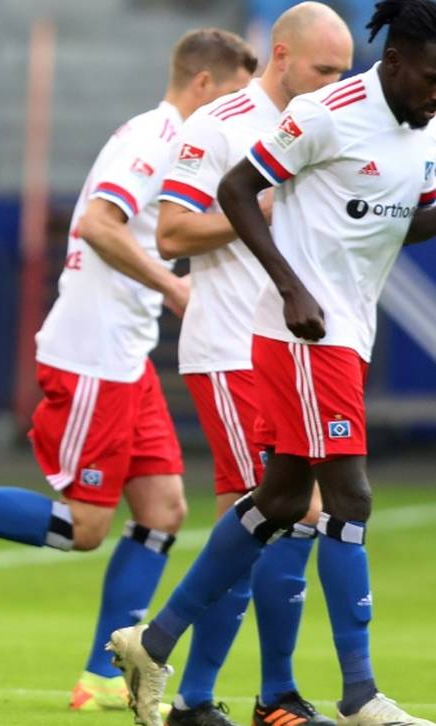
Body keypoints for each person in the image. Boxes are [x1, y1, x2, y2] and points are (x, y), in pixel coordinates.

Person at [0, 28, 257, 713]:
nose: (241, 111)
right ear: (203, 83)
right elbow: (97, 224)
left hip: (125, 354)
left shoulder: (175, 143)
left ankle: (104, 675)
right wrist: (174, 287)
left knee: (163, 510)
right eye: (236, 95)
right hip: (93, 356)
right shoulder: (153, 140)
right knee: (85, 528)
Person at [110, 2, 436, 725]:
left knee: (281, 503)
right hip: (299, 335)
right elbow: (232, 192)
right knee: (347, 501)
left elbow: (400, 223)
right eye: (432, 78)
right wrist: (290, 286)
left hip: (346, 331)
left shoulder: (425, 130)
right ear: (395, 62)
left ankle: (152, 643)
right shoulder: (325, 115)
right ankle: (356, 695)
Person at [153, 4, 352, 724]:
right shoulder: (220, 125)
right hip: (233, 348)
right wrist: (255, 212)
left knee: (256, 524)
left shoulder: (329, 125)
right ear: (281, 55)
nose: (335, 83)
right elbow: (171, 232)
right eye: (324, 70)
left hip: (294, 353)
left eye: (344, 72)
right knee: (288, 512)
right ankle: (266, 696)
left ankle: (200, 695)